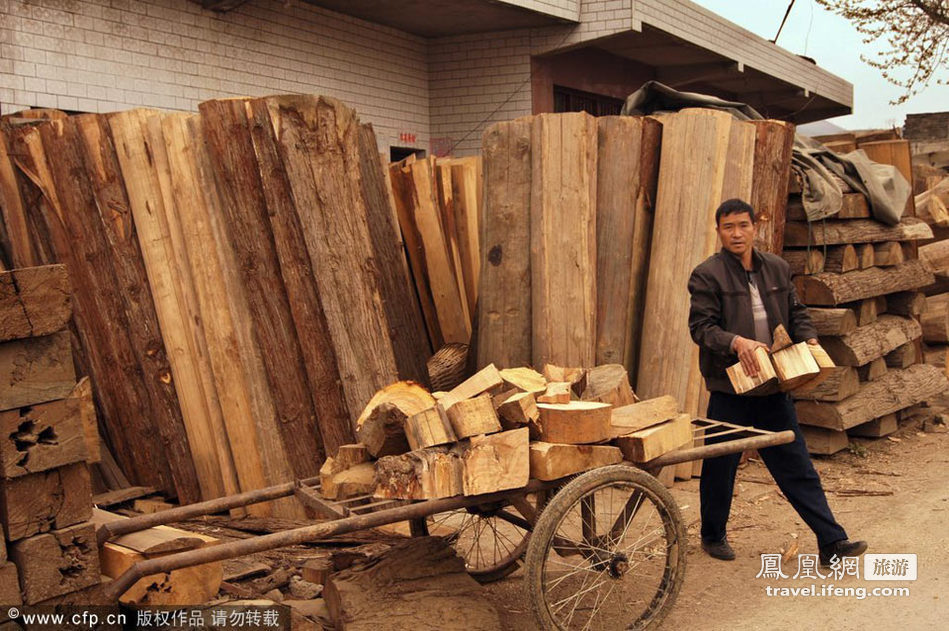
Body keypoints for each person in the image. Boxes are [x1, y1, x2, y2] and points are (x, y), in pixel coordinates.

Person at [687, 198, 867, 566]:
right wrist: (737, 342)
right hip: (731, 386)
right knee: (720, 466)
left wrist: (810, 338)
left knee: (796, 465)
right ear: (718, 231)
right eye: (728, 227)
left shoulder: (777, 268)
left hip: (774, 385)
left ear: (755, 227)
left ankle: (832, 541)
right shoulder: (707, 275)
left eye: (743, 225)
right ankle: (712, 535)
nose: (737, 233)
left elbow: (796, 311)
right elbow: (701, 329)